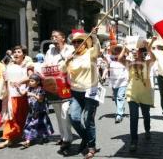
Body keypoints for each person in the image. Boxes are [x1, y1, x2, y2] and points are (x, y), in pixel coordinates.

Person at [62, 27, 101, 159]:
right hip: (76, 91)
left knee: (87, 119)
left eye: (80, 41)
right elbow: (62, 69)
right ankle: (86, 137)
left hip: (91, 90)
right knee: (74, 117)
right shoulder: (72, 56)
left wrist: (94, 36)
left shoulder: (90, 53)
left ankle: (91, 146)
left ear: (85, 43)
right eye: (74, 42)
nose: (77, 44)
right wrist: (67, 60)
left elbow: (97, 50)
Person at [118, 37, 156, 152]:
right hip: (132, 93)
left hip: (145, 93)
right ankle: (134, 141)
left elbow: (154, 57)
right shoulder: (130, 63)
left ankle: (147, 130)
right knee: (133, 118)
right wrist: (125, 47)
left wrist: (148, 46)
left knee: (146, 115)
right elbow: (120, 58)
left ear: (142, 53)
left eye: (137, 51)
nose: (135, 52)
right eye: (133, 51)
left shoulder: (147, 63)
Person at [0, 45, 33, 149]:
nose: (16, 54)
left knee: (23, 116)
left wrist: (20, 81)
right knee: (11, 116)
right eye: (15, 52)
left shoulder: (28, 64)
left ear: (24, 54)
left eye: (19, 52)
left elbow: (31, 76)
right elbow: (6, 77)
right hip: (11, 94)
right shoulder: (9, 64)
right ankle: (8, 138)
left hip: (23, 93)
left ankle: (24, 136)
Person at [44, 30, 74, 155]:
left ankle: (67, 139)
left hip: (67, 84)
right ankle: (63, 137)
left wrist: (65, 58)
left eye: (56, 36)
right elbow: (46, 65)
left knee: (65, 112)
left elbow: (71, 64)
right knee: (57, 113)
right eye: (52, 37)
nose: (53, 38)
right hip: (53, 86)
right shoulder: (49, 51)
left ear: (63, 38)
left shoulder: (70, 49)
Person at [20, 74, 54, 148]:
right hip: (31, 111)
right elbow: (22, 93)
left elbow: (40, 99)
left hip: (40, 111)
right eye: (29, 81)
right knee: (29, 125)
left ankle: (44, 137)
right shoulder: (29, 88)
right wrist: (17, 87)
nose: (30, 82)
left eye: (32, 81)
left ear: (38, 82)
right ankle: (28, 140)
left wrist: (32, 94)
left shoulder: (41, 89)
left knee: (41, 125)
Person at [108, 44, 128, 123]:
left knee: (120, 97)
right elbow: (108, 70)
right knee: (116, 98)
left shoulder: (124, 61)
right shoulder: (111, 61)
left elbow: (127, 71)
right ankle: (121, 109)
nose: (116, 54)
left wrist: (124, 48)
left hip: (122, 82)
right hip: (114, 83)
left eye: (117, 53)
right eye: (114, 53)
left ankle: (119, 114)